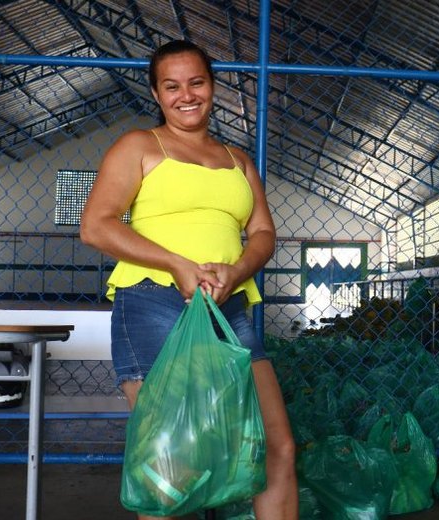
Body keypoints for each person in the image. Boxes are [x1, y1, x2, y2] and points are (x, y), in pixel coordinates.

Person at [80, 40, 298, 520]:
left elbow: (262, 232)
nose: (186, 94)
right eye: (171, 85)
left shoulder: (239, 160)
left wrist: (237, 270)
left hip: (230, 308)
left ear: (213, 87)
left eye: (196, 82)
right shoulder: (138, 146)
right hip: (154, 304)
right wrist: (177, 264)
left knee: (275, 446)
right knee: (172, 459)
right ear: (157, 94)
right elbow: (97, 224)